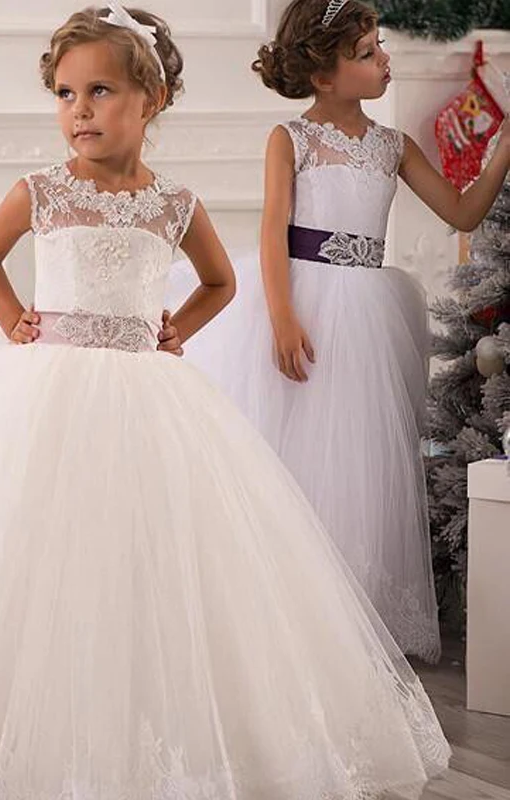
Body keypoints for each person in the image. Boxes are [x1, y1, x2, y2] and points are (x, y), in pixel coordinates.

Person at [0, 5, 450, 798]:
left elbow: (221, 283)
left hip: (146, 391)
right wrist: (13, 318)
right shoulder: (41, 192)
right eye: (66, 94)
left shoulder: (173, 204)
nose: (79, 111)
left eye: (101, 91)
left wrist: (174, 330)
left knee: (146, 552)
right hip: (43, 391)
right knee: (20, 547)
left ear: (152, 100)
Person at [171, 0, 510, 663]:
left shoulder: (393, 146)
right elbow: (273, 231)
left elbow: (463, 211)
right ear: (323, 73)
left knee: (359, 461)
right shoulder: (290, 139)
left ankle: (351, 616)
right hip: (304, 303)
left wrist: (502, 151)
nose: (384, 60)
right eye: (366, 54)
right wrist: (281, 315)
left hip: (368, 318)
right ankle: (287, 611)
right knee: (296, 455)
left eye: (379, 47)